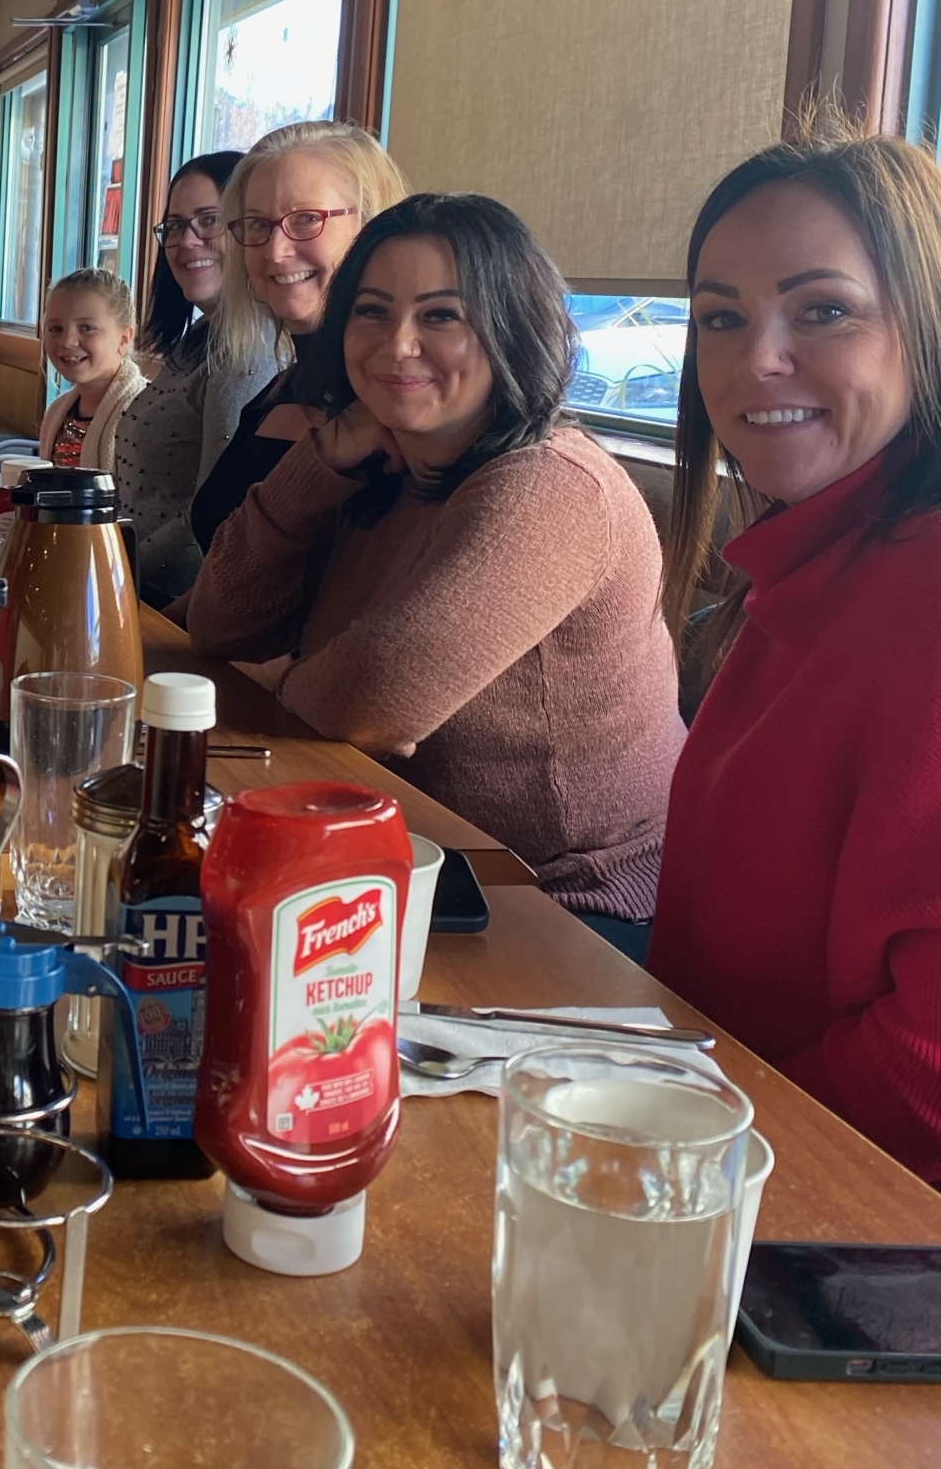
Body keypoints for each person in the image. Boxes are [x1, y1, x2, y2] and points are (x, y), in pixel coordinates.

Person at [187, 194, 684, 922]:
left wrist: (296, 678)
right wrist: (317, 464)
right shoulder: (383, 464)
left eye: (442, 316)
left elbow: (370, 698)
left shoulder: (551, 484)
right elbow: (220, 622)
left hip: (575, 904)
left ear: (511, 326)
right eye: (372, 311)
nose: (397, 345)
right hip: (418, 865)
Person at [650, 130, 941, 1182]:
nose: (756, 359)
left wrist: (681, 1161)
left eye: (823, 310)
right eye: (721, 318)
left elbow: (926, 1070)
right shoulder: (809, 559)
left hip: (833, 1237)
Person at [189, 122, 407, 552]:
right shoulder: (276, 391)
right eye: (257, 225)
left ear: (373, 226)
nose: (275, 251)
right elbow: (223, 578)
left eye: (307, 219)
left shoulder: (401, 406)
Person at [112, 149, 267, 603]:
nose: (186, 241)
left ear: (246, 229)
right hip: (136, 589)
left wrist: (108, 566)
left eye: (208, 220)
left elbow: (212, 518)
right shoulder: (202, 335)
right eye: (175, 226)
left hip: (175, 607)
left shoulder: (247, 352)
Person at [37, 268, 146, 469]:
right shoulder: (57, 412)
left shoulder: (143, 413)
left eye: (87, 328)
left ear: (124, 339)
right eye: (56, 329)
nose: (68, 342)